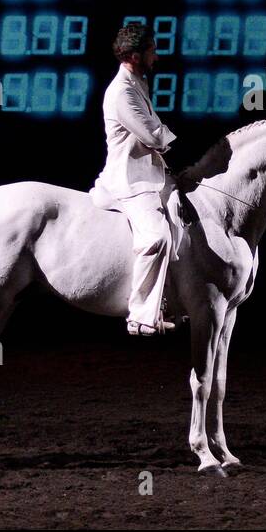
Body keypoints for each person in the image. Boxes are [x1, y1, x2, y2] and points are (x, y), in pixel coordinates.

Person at [92, 23, 182, 336]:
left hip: (151, 173)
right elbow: (154, 137)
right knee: (155, 237)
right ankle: (141, 315)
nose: (156, 57)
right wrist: (173, 140)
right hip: (131, 180)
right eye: (151, 51)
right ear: (133, 55)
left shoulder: (138, 82)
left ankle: (170, 300)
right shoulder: (121, 92)